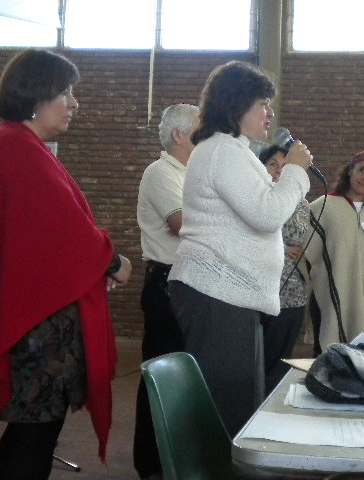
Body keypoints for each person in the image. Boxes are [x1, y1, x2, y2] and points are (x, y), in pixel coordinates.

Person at [0, 49, 132, 480]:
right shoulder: (17, 148)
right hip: (36, 333)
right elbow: (67, 233)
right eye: (65, 92)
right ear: (36, 94)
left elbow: (44, 241)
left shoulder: (18, 144)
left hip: (38, 323)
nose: (74, 103)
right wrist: (113, 262)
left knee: (37, 432)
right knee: (34, 433)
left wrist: (89, 269)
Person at [166, 61, 313, 437]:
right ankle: (219, 465)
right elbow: (267, 214)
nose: (270, 113)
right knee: (228, 409)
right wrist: (296, 171)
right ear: (236, 104)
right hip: (217, 294)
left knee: (240, 401)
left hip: (229, 295)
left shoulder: (233, 151)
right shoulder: (222, 150)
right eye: (263, 104)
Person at [133, 103, 199, 480]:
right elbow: (182, 224)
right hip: (167, 283)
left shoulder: (193, 174)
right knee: (161, 376)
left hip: (192, 283)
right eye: (201, 129)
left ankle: (180, 456)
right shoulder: (160, 172)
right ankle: (152, 463)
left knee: (187, 377)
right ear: (179, 134)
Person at [305, 151, 364, 352]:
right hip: (331, 292)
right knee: (327, 356)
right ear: (350, 171)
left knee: (363, 357)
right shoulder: (324, 205)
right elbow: (305, 246)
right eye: (362, 170)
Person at [258, 144, 310, 394]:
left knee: (277, 362)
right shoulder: (253, 197)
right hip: (256, 293)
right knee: (254, 360)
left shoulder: (301, 202)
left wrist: (278, 205)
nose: (279, 171)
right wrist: (280, 244)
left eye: (285, 166)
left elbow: (297, 234)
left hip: (290, 295)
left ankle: (269, 405)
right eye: (273, 164)